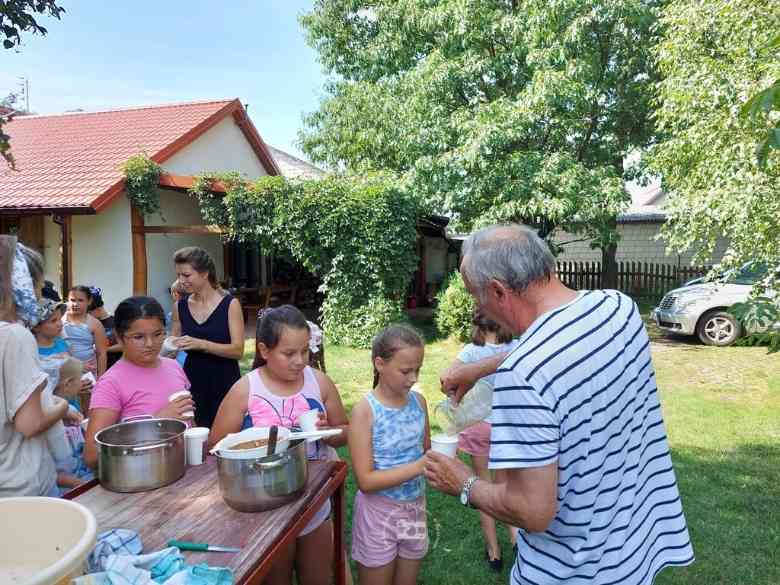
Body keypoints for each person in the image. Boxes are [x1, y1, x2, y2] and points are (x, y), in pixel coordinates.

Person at [424, 224, 694, 585]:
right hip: (633, 550)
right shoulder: (618, 309)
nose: (478, 308)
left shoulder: (524, 375)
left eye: (477, 297)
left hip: (572, 573)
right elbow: (557, 344)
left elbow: (533, 511)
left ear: (499, 291)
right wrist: (478, 368)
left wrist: (464, 483)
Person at [209, 305, 348, 585]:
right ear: (264, 350)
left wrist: (329, 433)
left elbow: (345, 431)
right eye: (289, 353)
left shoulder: (318, 382)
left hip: (314, 501)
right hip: (265, 507)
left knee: (317, 577)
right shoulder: (246, 389)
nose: (299, 361)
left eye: (305, 351)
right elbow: (216, 445)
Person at [349, 325, 431, 585]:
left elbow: (427, 452)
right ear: (380, 364)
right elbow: (366, 481)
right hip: (378, 513)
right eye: (406, 371)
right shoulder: (365, 412)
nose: (413, 378)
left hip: (415, 508)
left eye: (417, 370)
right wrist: (419, 467)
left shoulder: (420, 403)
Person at [83, 296, 195, 469]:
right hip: (140, 478)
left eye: (158, 334)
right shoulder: (111, 383)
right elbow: (92, 455)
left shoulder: (173, 367)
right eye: (138, 337)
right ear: (119, 338)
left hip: (182, 472)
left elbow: (188, 420)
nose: (150, 344)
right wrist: (157, 422)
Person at [0, 235, 68, 497]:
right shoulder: (14, 336)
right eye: (36, 286)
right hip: (19, 486)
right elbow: (30, 424)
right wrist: (61, 406)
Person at [455, 309, 518, 572]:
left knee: (480, 488)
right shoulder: (517, 347)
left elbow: (450, 384)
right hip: (507, 427)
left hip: (479, 428)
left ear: (477, 324)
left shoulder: (469, 353)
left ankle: (494, 551)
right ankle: (517, 539)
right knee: (505, 486)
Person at [171, 247, 243, 428]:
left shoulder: (230, 304)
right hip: (192, 381)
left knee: (227, 437)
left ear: (204, 274)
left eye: (186, 275)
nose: (181, 281)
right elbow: (173, 346)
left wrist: (202, 344)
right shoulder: (179, 307)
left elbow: (238, 350)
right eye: (178, 275)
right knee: (197, 439)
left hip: (225, 380)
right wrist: (167, 345)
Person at [62, 285, 108, 378]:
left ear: (89, 301)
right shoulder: (59, 319)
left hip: (88, 372)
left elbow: (101, 353)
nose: (75, 304)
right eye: (72, 300)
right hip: (63, 371)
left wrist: (101, 379)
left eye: (80, 300)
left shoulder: (95, 324)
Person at [88, 287, 123, 369]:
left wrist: (105, 349)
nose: (87, 315)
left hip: (114, 369)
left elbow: (123, 345)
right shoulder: (90, 323)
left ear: (98, 309)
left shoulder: (115, 322)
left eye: (89, 312)